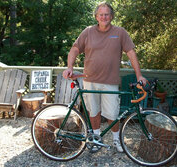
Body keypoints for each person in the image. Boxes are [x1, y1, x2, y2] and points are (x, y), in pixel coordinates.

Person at [63, 2, 147, 152]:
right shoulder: (88, 32)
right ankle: (96, 139)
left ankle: (116, 140)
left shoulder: (120, 32)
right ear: (96, 16)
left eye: (107, 14)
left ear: (112, 16)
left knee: (113, 114)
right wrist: (69, 67)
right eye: (101, 14)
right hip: (90, 80)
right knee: (93, 112)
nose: (104, 17)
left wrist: (139, 74)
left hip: (110, 81)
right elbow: (74, 49)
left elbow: (131, 53)